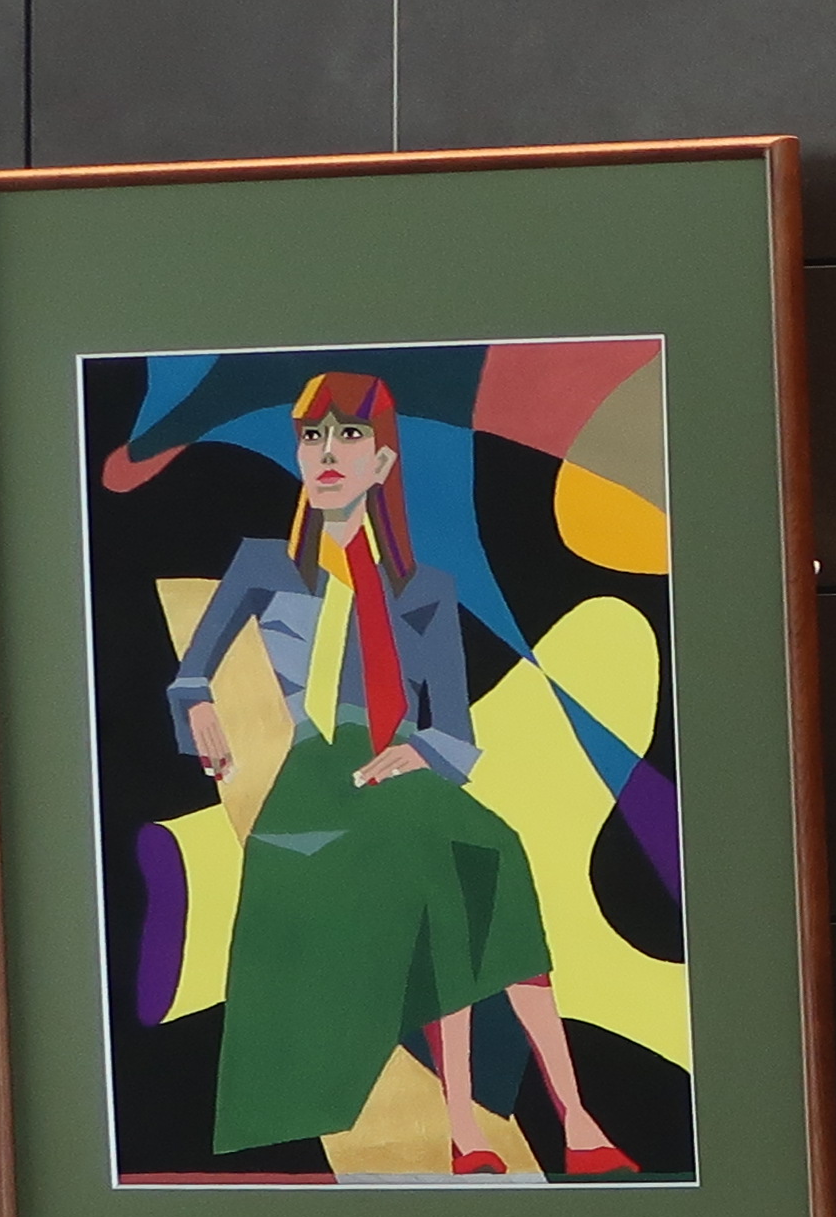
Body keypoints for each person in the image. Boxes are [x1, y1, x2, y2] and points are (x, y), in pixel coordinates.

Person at [165, 372, 634, 1175]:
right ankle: (472, 1124)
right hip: (318, 773)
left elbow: (454, 730)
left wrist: (421, 752)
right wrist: (196, 703)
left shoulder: (423, 592)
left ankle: (570, 1114)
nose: (328, 453)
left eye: (349, 435)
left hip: (403, 770)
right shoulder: (263, 567)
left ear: (382, 463)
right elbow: (190, 673)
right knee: (439, 864)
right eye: (313, 436)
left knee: (495, 850)